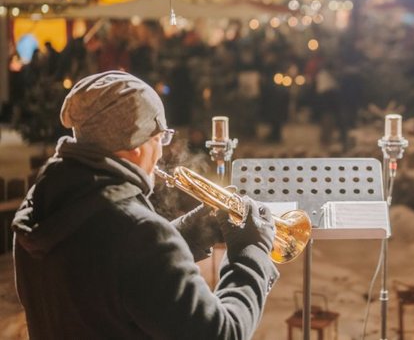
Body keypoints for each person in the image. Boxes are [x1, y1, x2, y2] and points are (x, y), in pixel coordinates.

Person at [12, 71, 279, 339]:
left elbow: (110, 268)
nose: (161, 151)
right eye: (160, 138)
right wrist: (250, 252)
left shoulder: (41, 201)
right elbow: (223, 333)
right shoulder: (140, 235)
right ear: (138, 145)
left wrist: (189, 232)